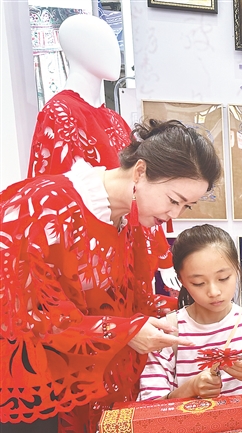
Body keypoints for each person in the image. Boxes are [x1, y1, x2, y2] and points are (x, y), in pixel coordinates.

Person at [0, 119, 221, 433]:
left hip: (93, 386)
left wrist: (163, 317)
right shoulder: (41, 205)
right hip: (38, 391)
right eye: (173, 200)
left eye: (187, 206)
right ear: (141, 171)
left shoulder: (132, 222)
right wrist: (126, 331)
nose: (174, 216)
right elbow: (28, 314)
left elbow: (126, 300)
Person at [27, 14, 180, 292]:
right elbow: (50, 204)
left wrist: (162, 255)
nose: (114, 53)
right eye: (102, 43)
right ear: (77, 49)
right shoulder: (59, 113)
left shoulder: (114, 120)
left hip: (126, 252)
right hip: (89, 265)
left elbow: (141, 191)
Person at [138, 225, 242, 401]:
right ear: (182, 280)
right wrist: (189, 389)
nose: (214, 292)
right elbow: (149, 406)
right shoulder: (166, 333)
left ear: (237, 270)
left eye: (223, 278)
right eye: (199, 283)